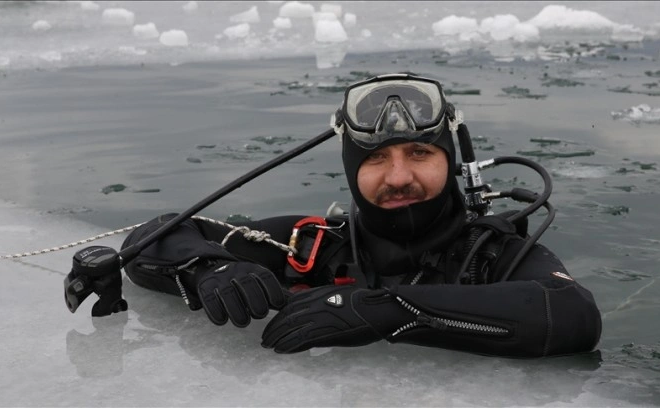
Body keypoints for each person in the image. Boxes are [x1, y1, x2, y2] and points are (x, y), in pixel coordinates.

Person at [121, 73, 602, 357]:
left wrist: (384, 310)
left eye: (419, 153)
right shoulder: (314, 245)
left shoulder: (493, 256)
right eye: (375, 159)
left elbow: (573, 316)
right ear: (352, 168)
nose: (397, 177)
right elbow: (151, 239)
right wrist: (211, 268)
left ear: (451, 161)